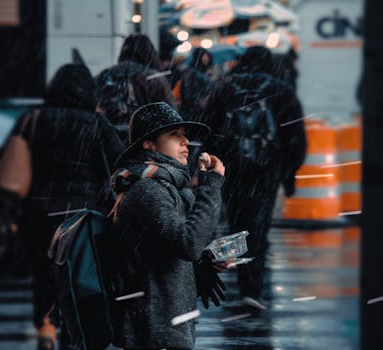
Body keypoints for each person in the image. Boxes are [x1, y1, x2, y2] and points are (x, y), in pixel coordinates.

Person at [0, 62, 125, 349]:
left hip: (39, 212)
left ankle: (46, 327)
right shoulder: (95, 124)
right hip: (83, 217)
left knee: (43, 275)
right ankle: (72, 333)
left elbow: (4, 157)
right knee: (79, 277)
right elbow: (120, 162)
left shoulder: (33, 119)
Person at [111, 102, 227, 350]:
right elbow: (188, 243)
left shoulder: (169, 188)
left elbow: (171, 250)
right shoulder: (147, 191)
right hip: (154, 331)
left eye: (185, 134)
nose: (186, 141)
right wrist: (211, 185)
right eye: (175, 135)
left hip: (167, 326)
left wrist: (203, 265)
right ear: (148, 143)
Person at [203, 46, 307, 297]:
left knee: (237, 225)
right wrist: (290, 173)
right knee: (258, 226)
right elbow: (295, 137)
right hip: (266, 169)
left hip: (232, 169)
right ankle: (253, 282)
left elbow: (207, 128)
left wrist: (210, 166)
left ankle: (238, 273)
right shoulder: (281, 90)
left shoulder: (223, 87)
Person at [95, 34, 175, 142]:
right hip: (143, 141)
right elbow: (171, 115)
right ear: (149, 52)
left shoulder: (104, 75)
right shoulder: (152, 77)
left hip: (108, 140)